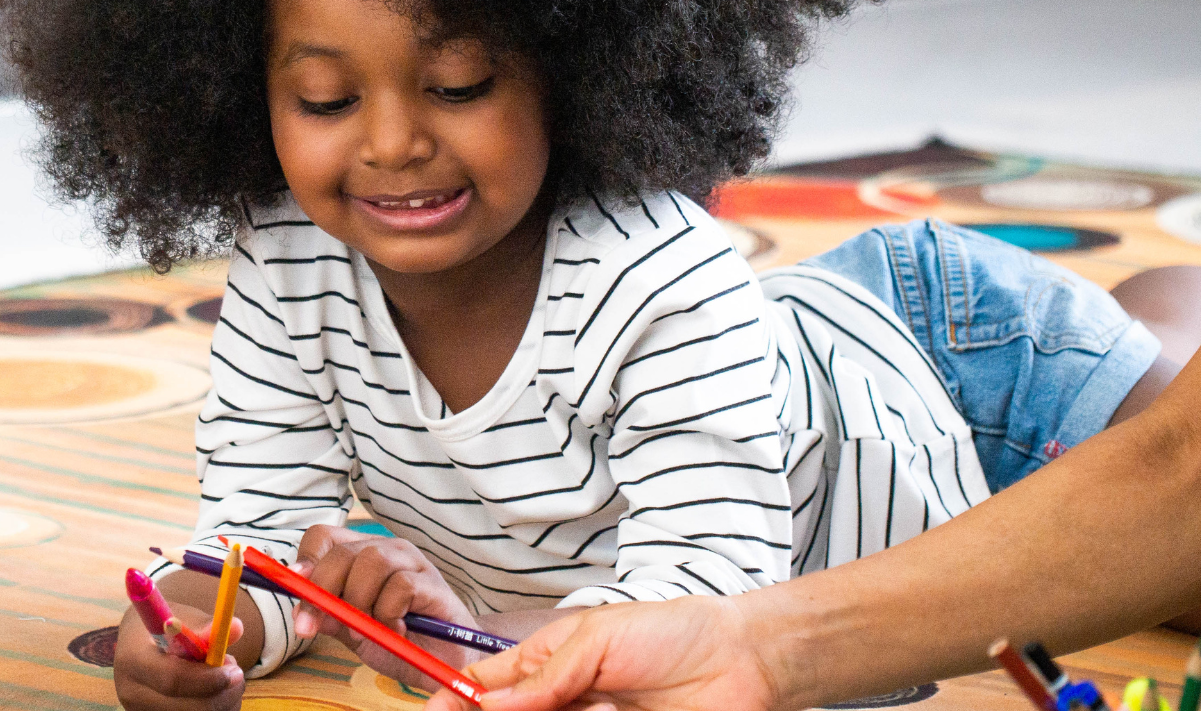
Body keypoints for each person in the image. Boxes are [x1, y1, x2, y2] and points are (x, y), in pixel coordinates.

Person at [0, 0, 1199, 711]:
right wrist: (209, 627)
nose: (394, 141)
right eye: (325, 96)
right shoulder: (289, 269)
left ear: (570, 61)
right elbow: (255, 538)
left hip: (966, 386)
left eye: (457, 84)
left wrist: (468, 631)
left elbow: (698, 606)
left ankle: (1163, 311)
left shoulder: (656, 283)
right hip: (793, 355)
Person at [424, 278, 1201, 711]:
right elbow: (1180, 472)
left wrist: (745, 646)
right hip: (924, 359)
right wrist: (745, 647)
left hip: (869, 361)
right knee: (1150, 347)